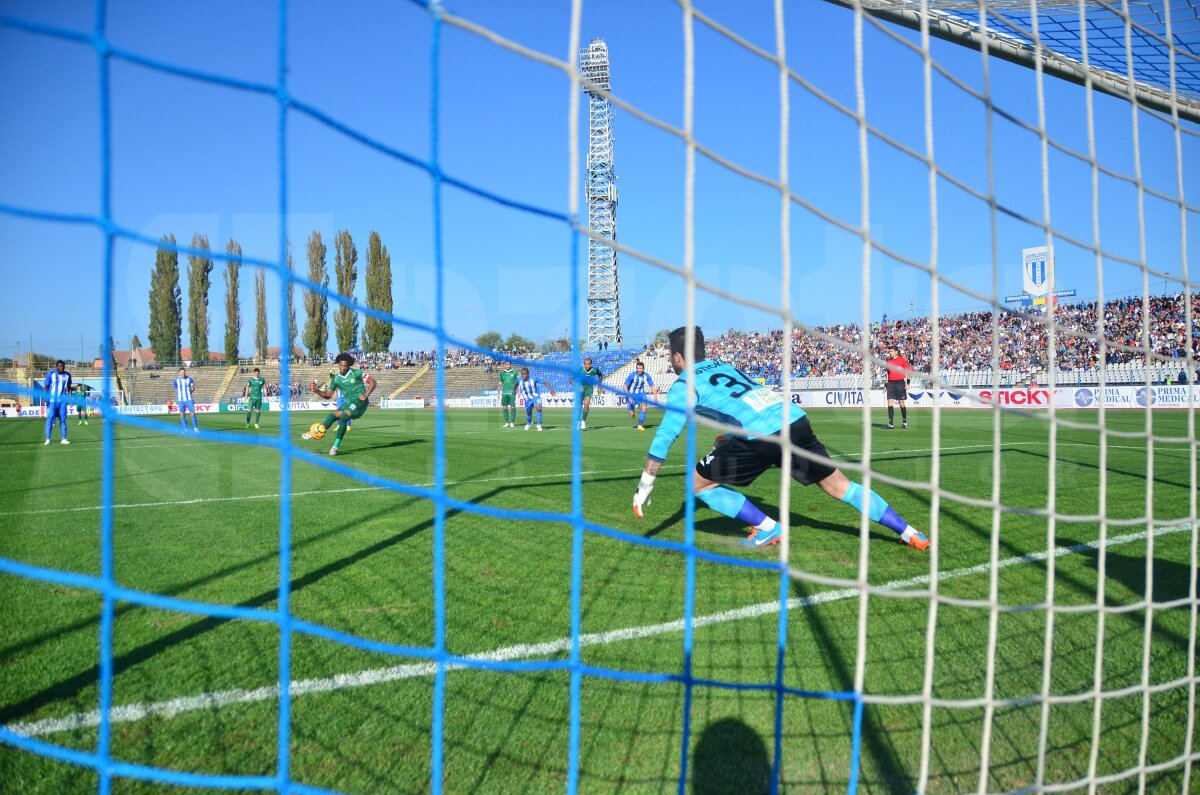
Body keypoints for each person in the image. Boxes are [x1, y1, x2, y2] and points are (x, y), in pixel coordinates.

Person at [632, 327, 928, 551]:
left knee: (696, 483)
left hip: (762, 435)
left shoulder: (684, 383)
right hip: (793, 420)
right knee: (842, 487)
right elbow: (743, 402)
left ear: (677, 358)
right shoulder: (725, 366)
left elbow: (666, 435)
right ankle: (909, 532)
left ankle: (768, 528)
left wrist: (646, 484)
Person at [304, 352, 375, 455]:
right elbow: (328, 395)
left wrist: (366, 395)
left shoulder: (356, 373)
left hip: (360, 401)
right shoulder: (336, 379)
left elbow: (373, 382)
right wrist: (316, 390)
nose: (343, 368)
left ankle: (335, 447)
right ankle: (317, 431)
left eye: (345, 366)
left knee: (344, 417)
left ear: (349, 366)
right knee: (332, 416)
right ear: (339, 365)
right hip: (348, 402)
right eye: (341, 365)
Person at [515, 367, 555, 431]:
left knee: (538, 408)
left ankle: (538, 424)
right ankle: (529, 422)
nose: (523, 376)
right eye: (522, 374)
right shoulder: (519, 379)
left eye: (525, 374)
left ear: (528, 374)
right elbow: (516, 383)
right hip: (527, 398)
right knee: (528, 412)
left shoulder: (534, 378)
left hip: (535, 395)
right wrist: (514, 390)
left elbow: (545, 382)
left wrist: (551, 390)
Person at [42, 360, 72, 445]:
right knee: (50, 419)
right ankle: (48, 439)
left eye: (63, 366)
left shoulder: (67, 375)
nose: (61, 368)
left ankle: (64, 439)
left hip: (62, 402)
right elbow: (46, 386)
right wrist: (44, 398)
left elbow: (69, 388)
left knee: (63, 419)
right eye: (60, 366)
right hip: (52, 401)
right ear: (56, 366)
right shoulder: (50, 374)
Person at [569, 356, 604, 429]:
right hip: (580, 388)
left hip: (589, 388)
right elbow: (571, 380)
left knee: (586, 403)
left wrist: (599, 385)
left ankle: (583, 421)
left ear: (591, 364)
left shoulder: (595, 370)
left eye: (588, 364)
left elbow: (600, 375)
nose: (587, 365)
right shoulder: (580, 370)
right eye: (585, 364)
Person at [624, 360, 658, 431]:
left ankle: (640, 425)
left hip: (641, 394)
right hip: (631, 394)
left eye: (641, 368)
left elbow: (652, 385)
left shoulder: (646, 376)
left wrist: (655, 396)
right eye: (638, 368)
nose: (639, 370)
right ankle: (631, 410)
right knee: (632, 414)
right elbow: (624, 386)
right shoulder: (632, 375)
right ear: (636, 368)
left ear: (643, 368)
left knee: (644, 408)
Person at [884, 346, 911, 429]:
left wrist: (908, 383)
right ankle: (891, 424)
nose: (890, 353)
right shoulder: (888, 361)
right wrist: (886, 385)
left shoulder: (902, 360)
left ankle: (904, 421)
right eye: (890, 351)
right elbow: (887, 374)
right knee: (889, 402)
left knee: (901, 403)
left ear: (896, 352)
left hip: (900, 383)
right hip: (891, 383)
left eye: (892, 351)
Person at [173, 367, 199, 433]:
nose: (183, 373)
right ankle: (185, 429)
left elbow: (193, 388)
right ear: (179, 373)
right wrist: (180, 393)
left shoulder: (189, 379)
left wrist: (188, 393)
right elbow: (175, 388)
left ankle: (195, 428)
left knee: (192, 413)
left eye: (184, 372)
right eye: (181, 372)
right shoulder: (176, 379)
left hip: (189, 399)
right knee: (182, 414)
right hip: (180, 400)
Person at [498, 360, 520, 428]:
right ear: (504, 365)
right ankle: (507, 422)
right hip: (504, 393)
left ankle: (512, 423)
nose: (507, 366)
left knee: (513, 407)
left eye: (509, 364)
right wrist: (498, 392)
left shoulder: (515, 372)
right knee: (505, 407)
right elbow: (500, 383)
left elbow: (518, 382)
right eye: (506, 364)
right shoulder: (502, 373)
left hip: (512, 392)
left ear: (510, 365)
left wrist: (519, 391)